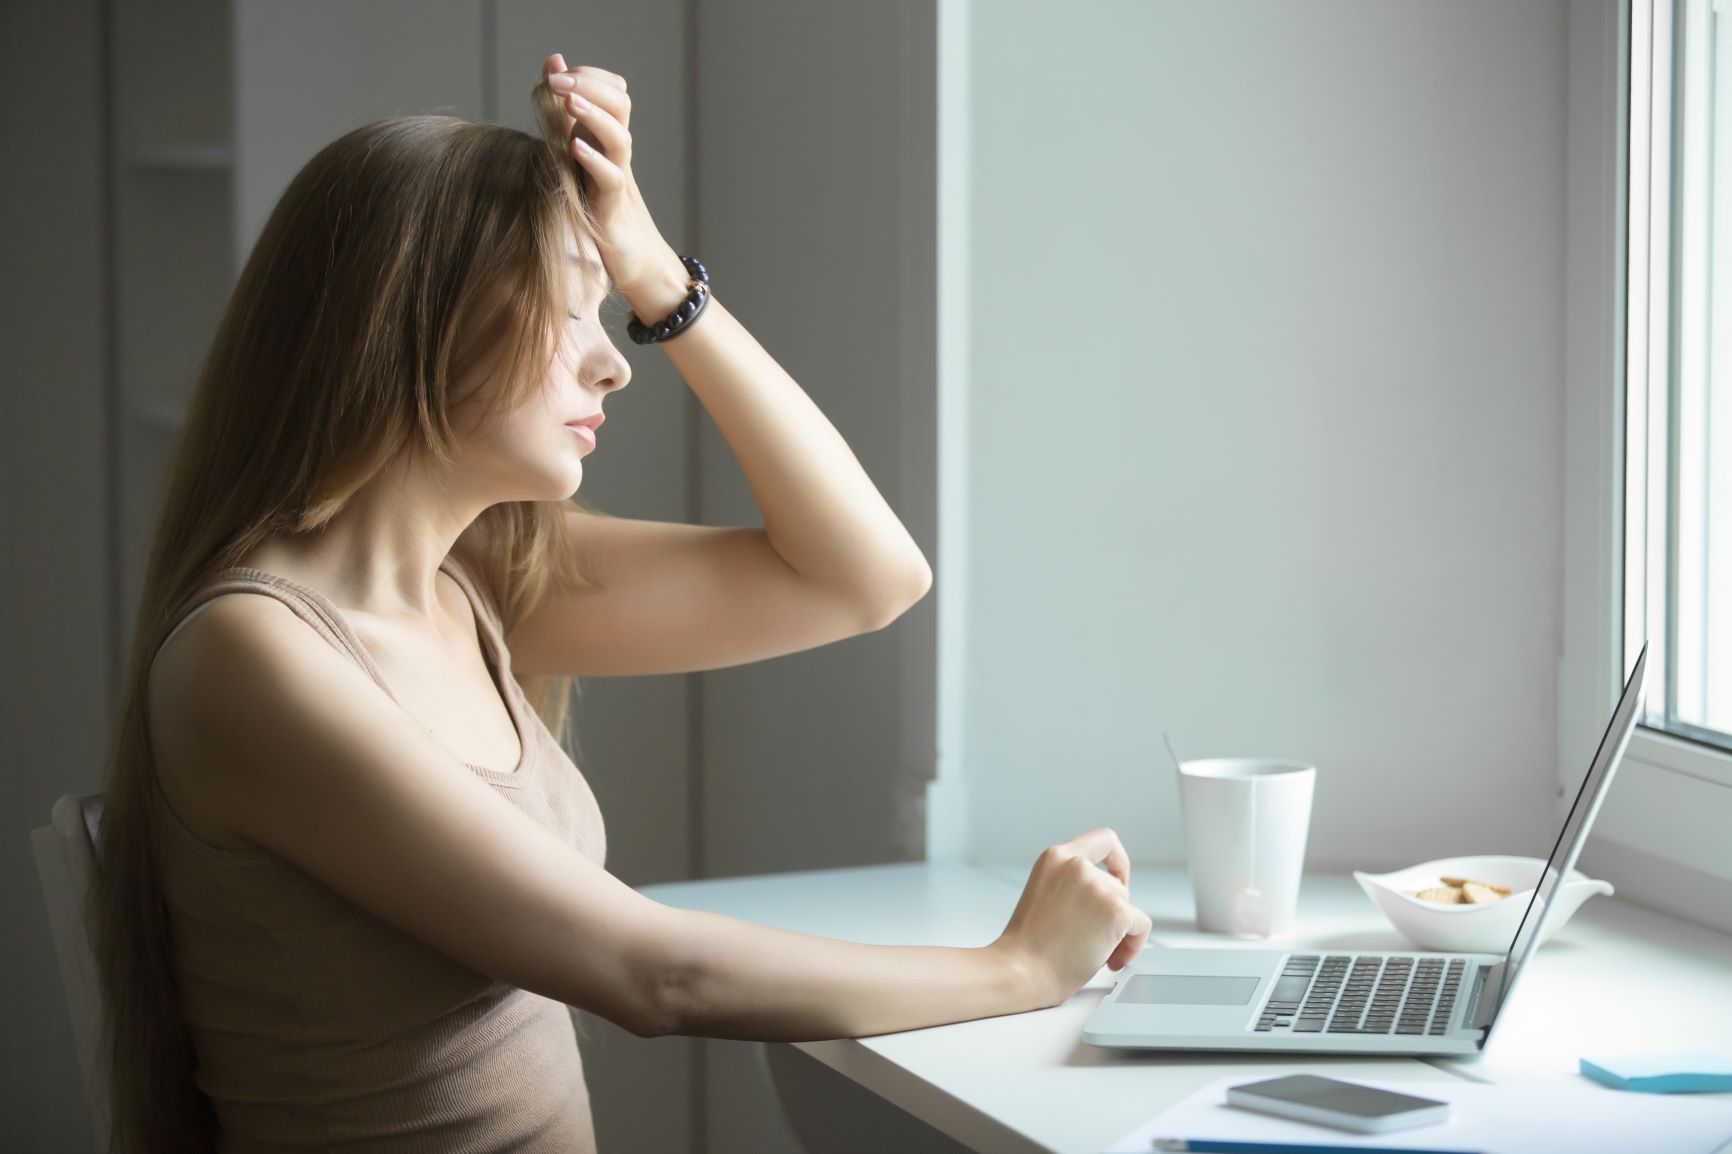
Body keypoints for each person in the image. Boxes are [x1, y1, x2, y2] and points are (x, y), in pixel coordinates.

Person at [93, 52, 1152, 1154]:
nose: (616, 365)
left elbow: (868, 577)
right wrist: (1016, 966)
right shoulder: (250, 655)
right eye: (568, 308)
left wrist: (650, 266)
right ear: (416, 326)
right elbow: (655, 974)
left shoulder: (473, 582)